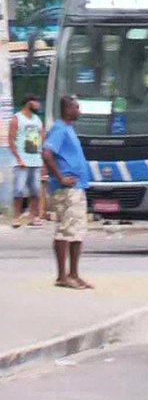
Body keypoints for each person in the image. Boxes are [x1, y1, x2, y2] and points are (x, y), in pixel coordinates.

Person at [42, 95, 93, 290]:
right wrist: (61, 177)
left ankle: (74, 274)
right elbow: (47, 154)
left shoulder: (69, 129)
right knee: (65, 230)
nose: (79, 111)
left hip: (78, 187)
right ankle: (62, 276)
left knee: (77, 232)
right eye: (76, 107)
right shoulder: (59, 129)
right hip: (66, 189)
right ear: (67, 109)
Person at [9, 94, 46, 227]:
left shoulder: (37, 120)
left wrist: (43, 160)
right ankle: (16, 217)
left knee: (35, 190)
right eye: (36, 102)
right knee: (19, 190)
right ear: (29, 103)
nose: (38, 105)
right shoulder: (17, 118)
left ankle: (33, 217)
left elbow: (42, 139)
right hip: (22, 162)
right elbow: (11, 140)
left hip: (35, 161)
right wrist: (18, 158)